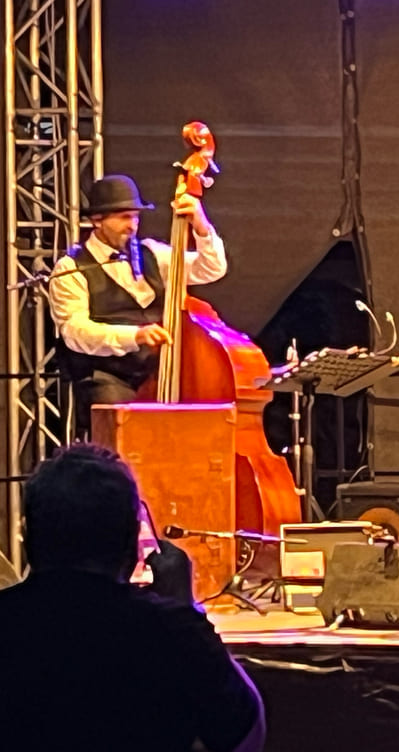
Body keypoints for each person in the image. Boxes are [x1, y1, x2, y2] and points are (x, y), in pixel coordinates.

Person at [0, 443, 265, 751]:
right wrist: (186, 608)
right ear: (131, 545)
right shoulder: (172, 630)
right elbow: (247, 735)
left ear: (30, 538)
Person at [49, 174, 228, 436]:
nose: (132, 225)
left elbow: (211, 269)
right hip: (108, 379)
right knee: (126, 442)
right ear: (97, 220)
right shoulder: (71, 268)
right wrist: (136, 335)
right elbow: (76, 333)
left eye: (135, 216)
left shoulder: (153, 253)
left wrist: (201, 226)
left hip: (159, 376)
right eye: (123, 217)